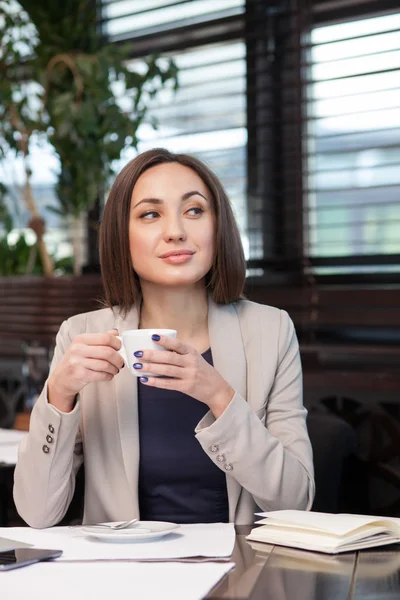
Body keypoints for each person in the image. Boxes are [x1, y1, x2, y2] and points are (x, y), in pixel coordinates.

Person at [13, 148, 315, 528]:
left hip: (241, 571)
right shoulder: (83, 335)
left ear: (217, 227)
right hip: (124, 576)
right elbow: (37, 514)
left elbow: (296, 502)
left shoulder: (271, 331)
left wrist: (219, 396)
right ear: (122, 236)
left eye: (194, 210)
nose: (175, 231)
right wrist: (58, 394)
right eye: (150, 214)